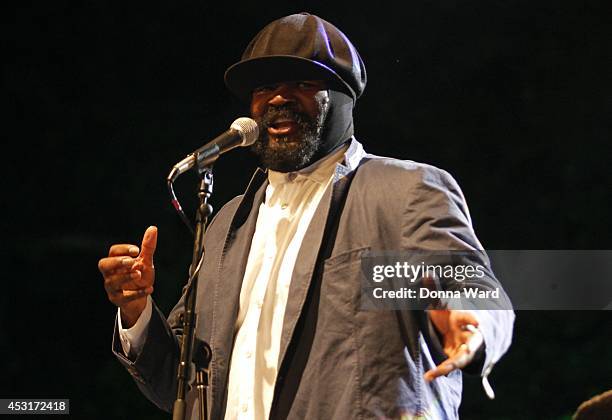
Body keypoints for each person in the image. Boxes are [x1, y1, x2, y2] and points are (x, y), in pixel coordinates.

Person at [98, 13, 514, 419]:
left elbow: (470, 281)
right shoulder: (225, 225)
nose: (278, 98)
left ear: (343, 97)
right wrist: (137, 310)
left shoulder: (402, 192)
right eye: (264, 87)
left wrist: (471, 321)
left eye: (301, 82)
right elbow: (179, 383)